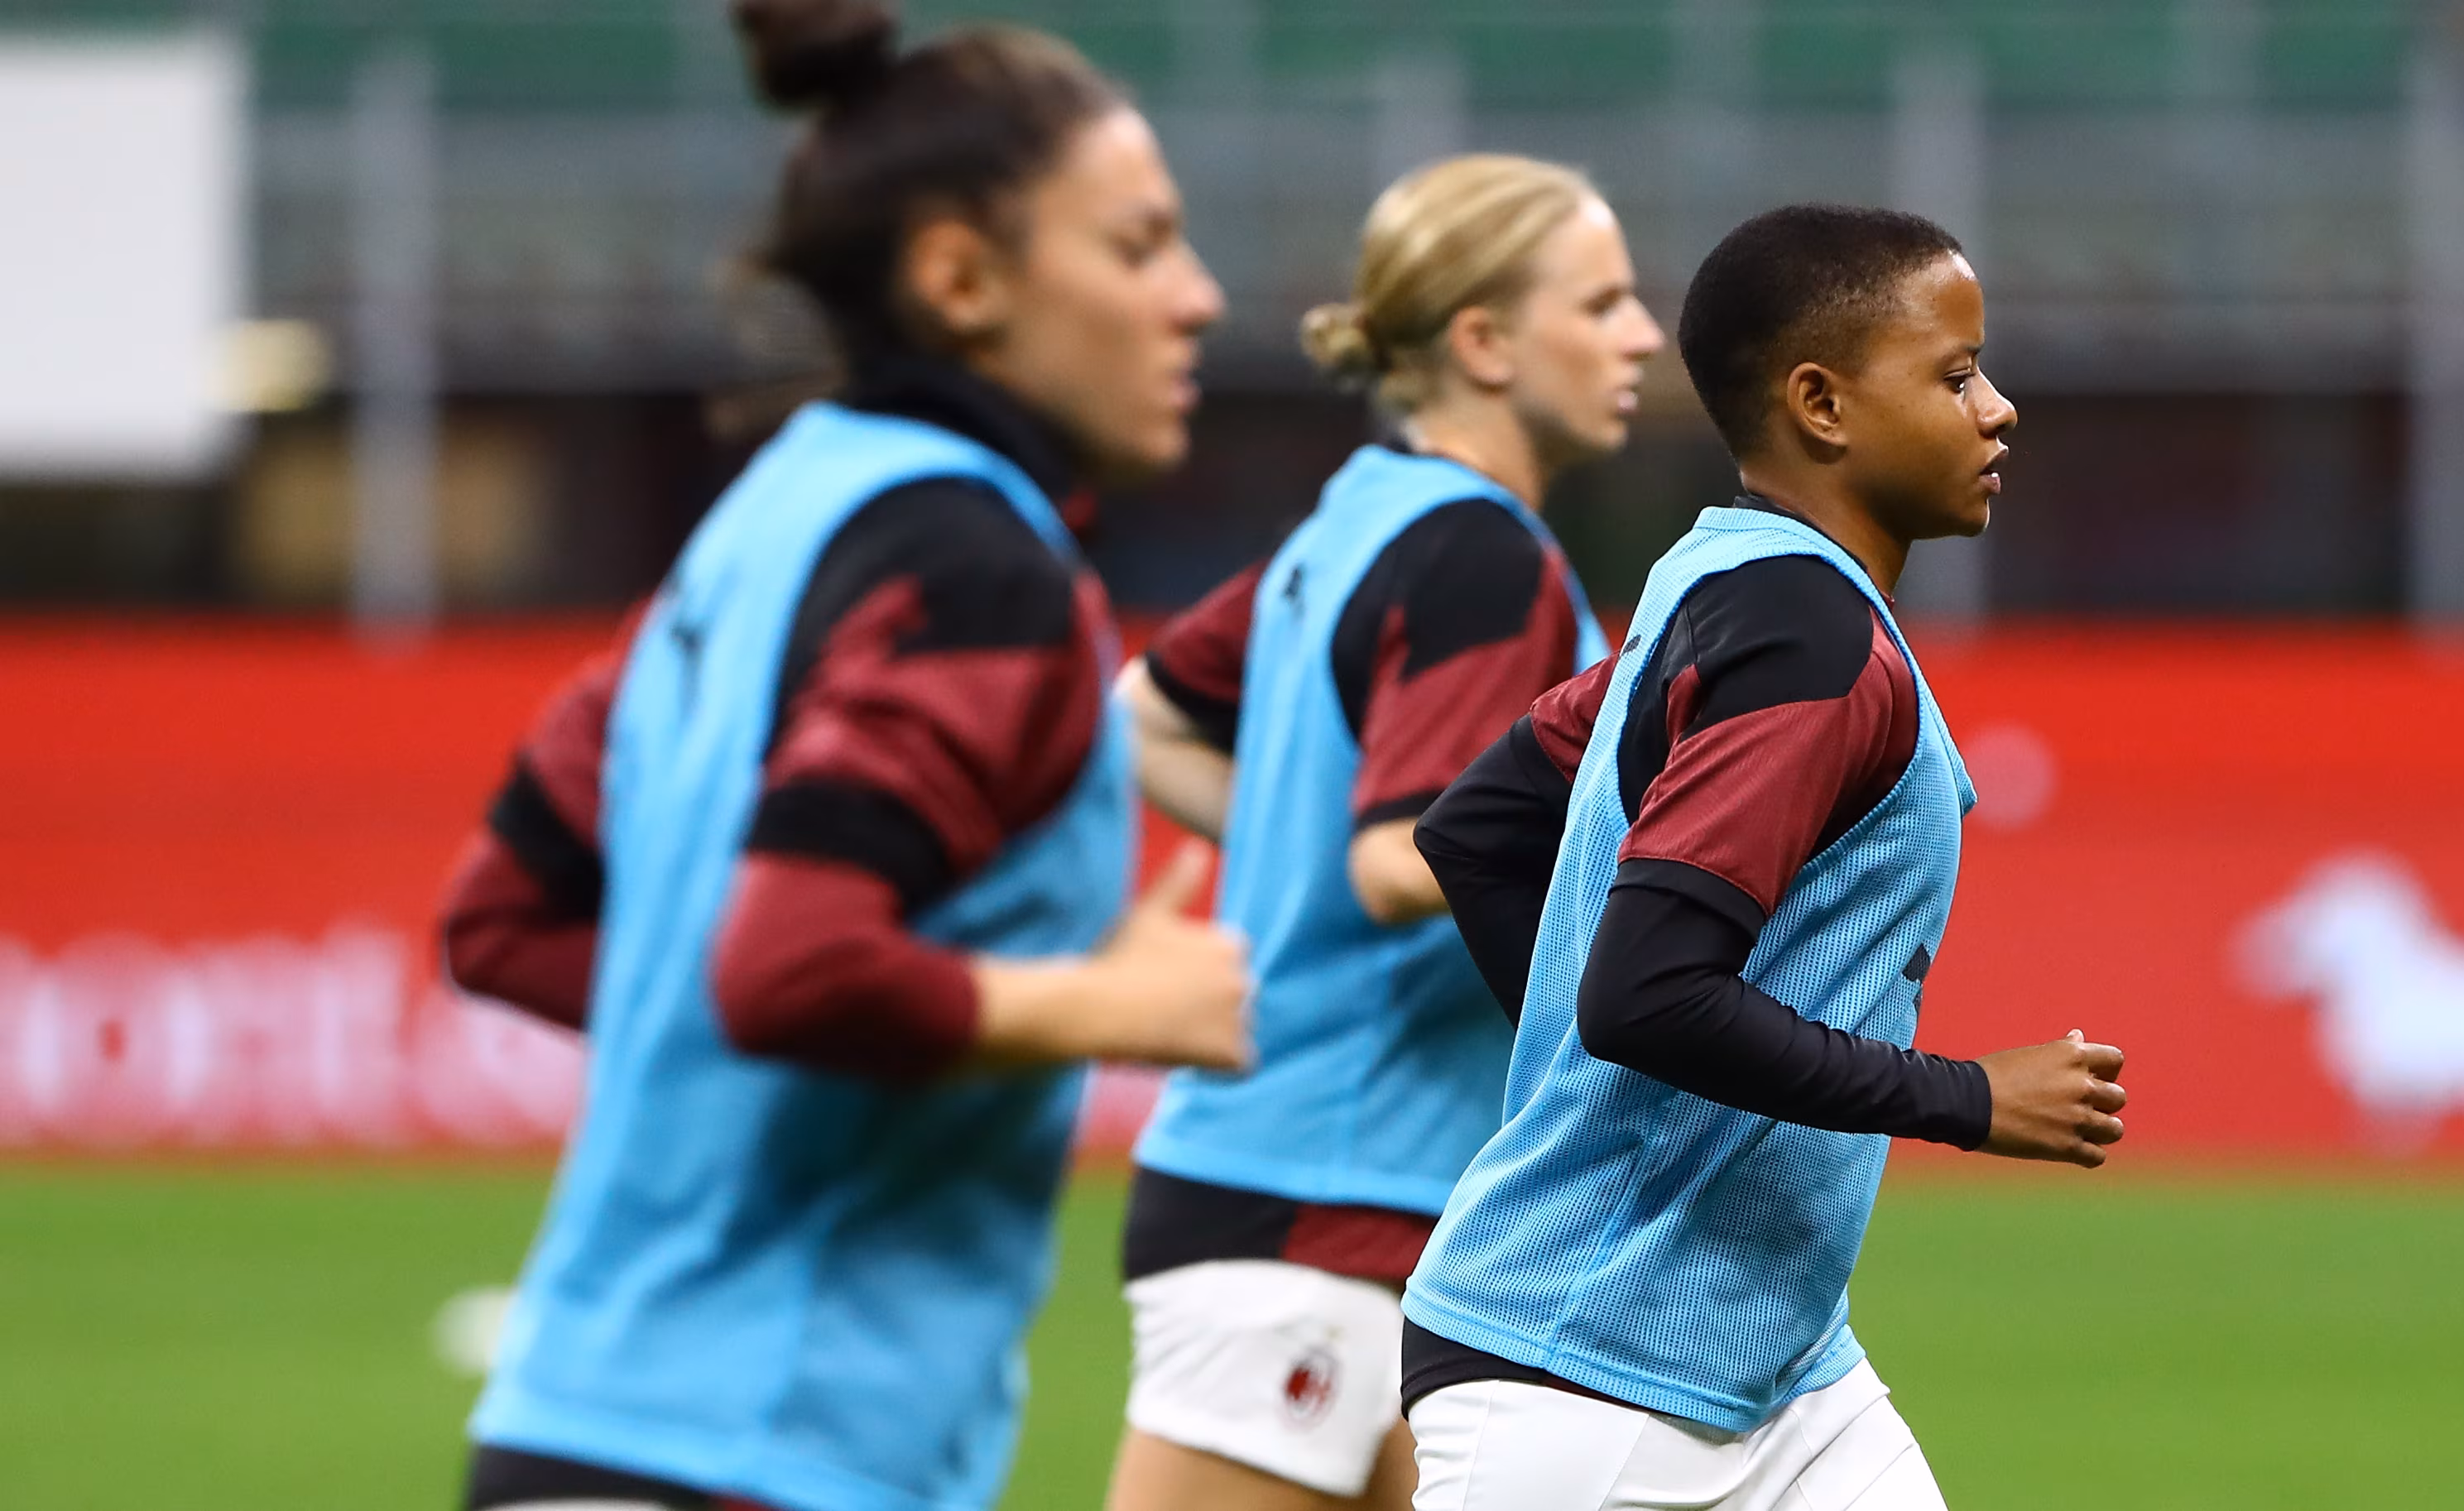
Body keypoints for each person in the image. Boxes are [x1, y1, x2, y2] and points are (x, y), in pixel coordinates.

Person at [433, 4, 1245, 1509]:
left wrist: (869, 1035)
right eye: (1138, 247)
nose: (1196, 297)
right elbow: (789, 971)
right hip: (769, 1452)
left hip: (570, 1428)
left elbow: (504, 919)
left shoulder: (757, 527)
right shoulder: (976, 571)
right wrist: (1104, 999)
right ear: (961, 279)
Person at [1395, 204, 2130, 1511]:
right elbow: (1644, 993)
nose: (1997, 408)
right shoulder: (1803, 632)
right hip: (1581, 1381)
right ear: (1821, 404)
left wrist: (1595, 1097)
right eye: (1957, 375)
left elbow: (1480, 829)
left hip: (1781, 1375)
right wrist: (1968, 1097)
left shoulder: (1721, 584)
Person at [1106, 155, 1660, 1511]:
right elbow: (1396, 856)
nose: (1643, 334)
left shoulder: (1355, 521)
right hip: (1324, 1197)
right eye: (1602, 303)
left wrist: (1286, 849)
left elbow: (1143, 718)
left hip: (1359, 1199)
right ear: (1483, 342)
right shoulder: (1483, 554)